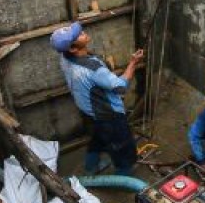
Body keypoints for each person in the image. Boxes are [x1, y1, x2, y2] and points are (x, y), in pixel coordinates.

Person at [51, 21, 143, 176]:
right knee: (123, 150)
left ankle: (91, 167)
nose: (83, 32)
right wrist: (133, 63)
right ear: (73, 48)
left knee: (98, 141)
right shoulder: (93, 69)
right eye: (78, 35)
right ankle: (123, 178)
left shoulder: (65, 58)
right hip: (109, 116)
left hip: (89, 112)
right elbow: (120, 87)